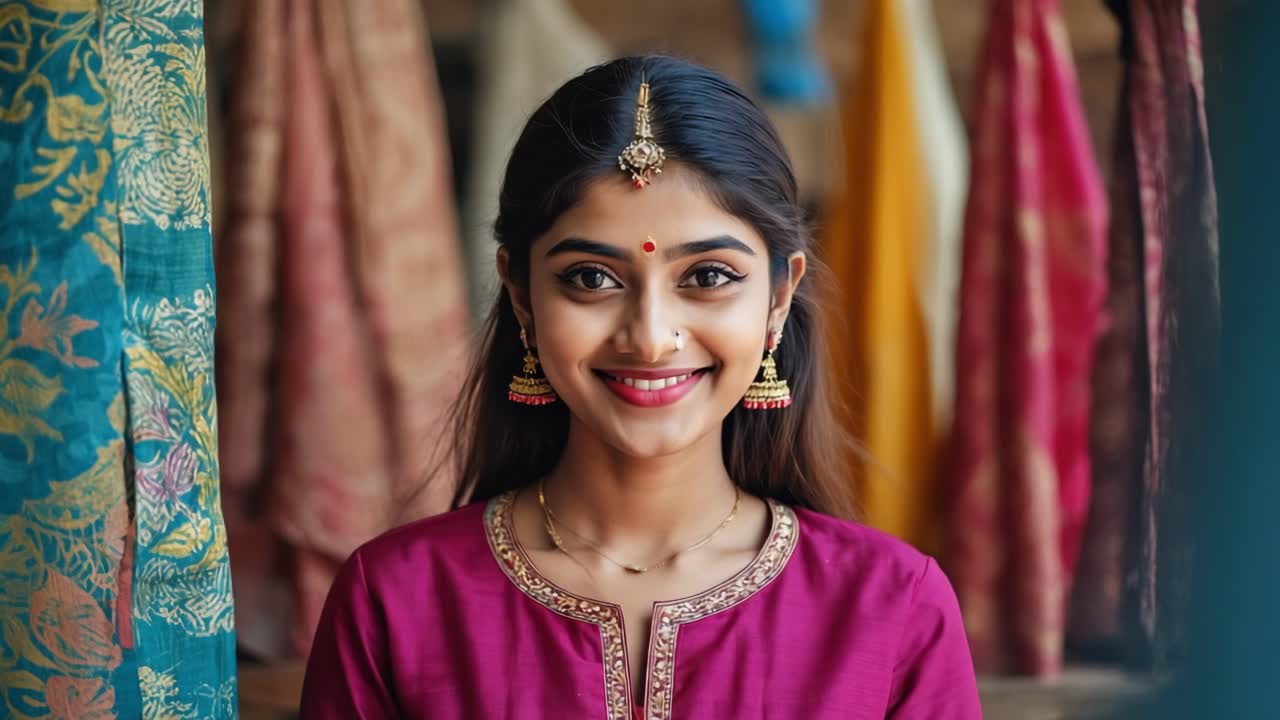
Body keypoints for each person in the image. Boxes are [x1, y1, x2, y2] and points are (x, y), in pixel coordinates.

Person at [299, 55, 982, 719]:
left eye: (708, 276)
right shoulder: (397, 599)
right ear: (522, 295)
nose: (651, 337)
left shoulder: (891, 605)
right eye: (592, 277)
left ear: (779, 296)